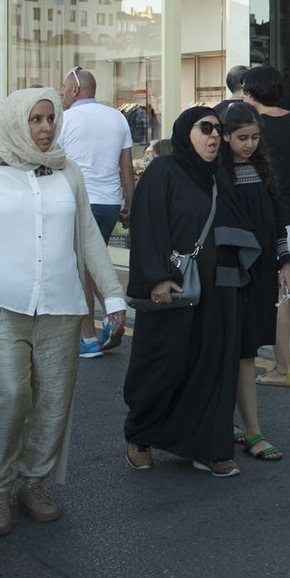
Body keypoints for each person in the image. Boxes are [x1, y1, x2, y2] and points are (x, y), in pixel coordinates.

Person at [0, 87, 128, 537]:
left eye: (50, 119)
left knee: (54, 401)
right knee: (8, 395)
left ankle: (34, 482)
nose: (45, 128)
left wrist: (112, 297)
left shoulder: (68, 172)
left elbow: (88, 239)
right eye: (35, 120)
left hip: (61, 307)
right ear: (14, 121)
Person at [122, 106, 249, 478]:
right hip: (174, 288)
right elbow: (147, 225)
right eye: (205, 127)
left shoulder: (220, 176)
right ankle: (140, 437)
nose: (214, 136)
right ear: (184, 132)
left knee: (212, 366)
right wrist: (156, 278)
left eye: (219, 130)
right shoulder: (163, 172)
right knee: (162, 362)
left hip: (218, 291)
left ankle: (210, 447)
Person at [220, 101, 290, 462]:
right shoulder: (215, 174)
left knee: (245, 350)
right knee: (235, 351)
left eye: (254, 137)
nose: (248, 144)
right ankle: (246, 429)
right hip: (228, 273)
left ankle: (245, 428)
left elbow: (276, 215)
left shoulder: (261, 169)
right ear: (225, 136)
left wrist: (283, 257)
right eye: (241, 137)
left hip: (261, 270)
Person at [240, 64, 290, 388]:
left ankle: (282, 366)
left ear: (255, 91)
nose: (242, 94)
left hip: (275, 213)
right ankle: (285, 355)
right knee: (283, 283)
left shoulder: (259, 127)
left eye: (245, 88)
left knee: (279, 291)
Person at [58, 65, 135, 358]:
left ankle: (89, 336)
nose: (62, 93)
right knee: (92, 263)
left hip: (78, 200)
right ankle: (112, 312)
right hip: (110, 202)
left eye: (64, 88)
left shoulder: (65, 119)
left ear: (76, 89)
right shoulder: (117, 117)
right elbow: (126, 166)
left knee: (81, 268)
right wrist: (130, 204)